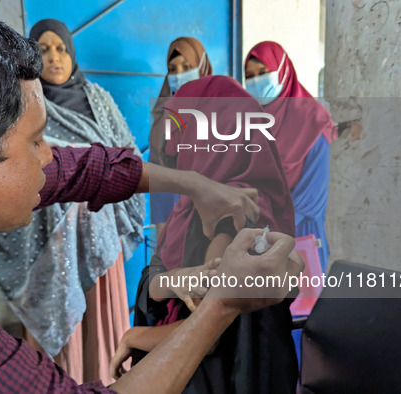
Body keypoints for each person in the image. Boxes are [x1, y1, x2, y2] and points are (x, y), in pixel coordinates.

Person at [0, 1, 301, 392]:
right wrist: (214, 299)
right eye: (35, 142)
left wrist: (194, 188)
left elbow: (85, 171)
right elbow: (162, 286)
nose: (51, 156)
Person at [117, 76, 300, 393]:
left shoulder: (231, 217)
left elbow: (207, 332)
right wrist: (173, 281)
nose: (174, 148)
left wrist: (135, 337)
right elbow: (160, 281)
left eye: (182, 129)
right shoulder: (198, 205)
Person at [0, 19, 144, 385]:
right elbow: (12, 171)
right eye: (43, 49)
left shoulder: (98, 99)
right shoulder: (20, 106)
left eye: (61, 48)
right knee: (65, 351)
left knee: (105, 334)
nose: (55, 57)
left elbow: (129, 158)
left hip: (103, 245)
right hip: (51, 250)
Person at [244, 41, 337, 272]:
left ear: (283, 71)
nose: (256, 81)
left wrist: (267, 232)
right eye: (250, 76)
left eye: (263, 73)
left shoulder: (313, 121)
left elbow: (312, 198)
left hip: (299, 235)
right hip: (254, 238)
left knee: (299, 305)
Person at [149, 37, 213, 239]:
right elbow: (157, 180)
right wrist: (161, 235)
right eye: (173, 69)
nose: (179, 75)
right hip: (172, 227)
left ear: (202, 67)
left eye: (187, 67)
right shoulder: (163, 118)